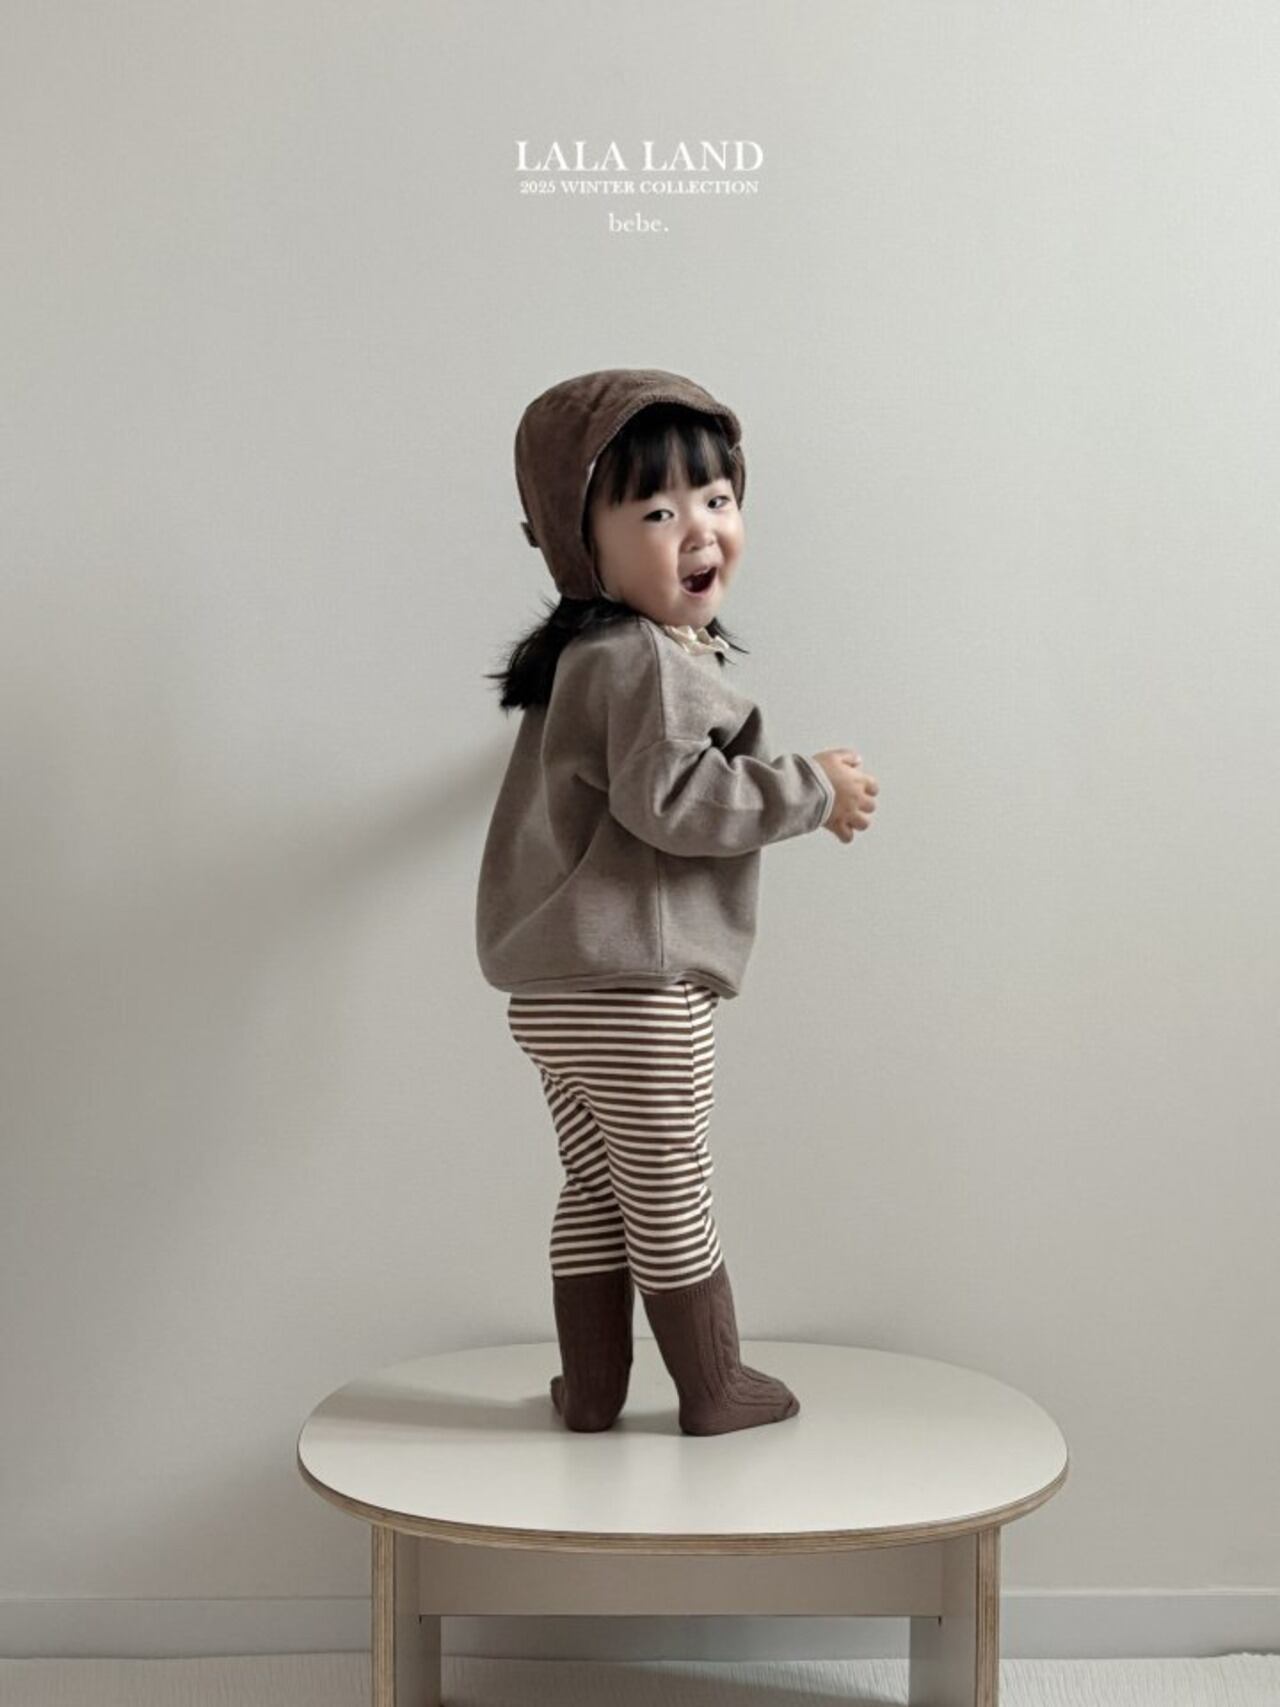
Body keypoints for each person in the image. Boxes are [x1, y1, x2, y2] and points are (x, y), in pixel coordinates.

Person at [475, 367, 879, 1436]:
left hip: (553, 992)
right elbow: (676, 802)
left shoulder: (586, 660)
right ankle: (712, 1384)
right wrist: (811, 789)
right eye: (655, 512)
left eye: (717, 498)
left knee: (596, 1187)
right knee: (668, 1187)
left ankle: (593, 1391)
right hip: (636, 993)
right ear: (582, 547)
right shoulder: (644, 658)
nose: (699, 528)